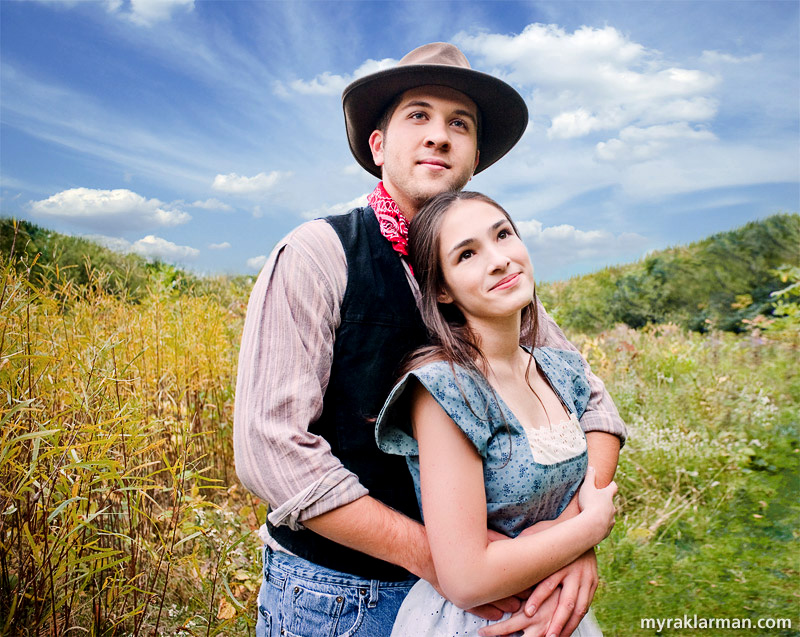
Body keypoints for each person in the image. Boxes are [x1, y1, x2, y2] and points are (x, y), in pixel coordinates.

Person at [233, 42, 627, 637]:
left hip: (489, 593)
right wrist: (436, 556)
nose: (439, 136)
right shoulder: (319, 254)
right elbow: (271, 449)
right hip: (341, 598)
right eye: (418, 115)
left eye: (459, 124)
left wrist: (569, 536)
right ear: (378, 145)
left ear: (474, 158)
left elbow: (590, 402)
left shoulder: (494, 276)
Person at [376, 191, 617, 636]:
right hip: (481, 622)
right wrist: (591, 528)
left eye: (503, 235)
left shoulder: (560, 369)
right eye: (467, 254)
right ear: (443, 290)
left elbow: (605, 435)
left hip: (556, 610)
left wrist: (571, 543)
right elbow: (466, 579)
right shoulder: (447, 388)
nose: (499, 260)